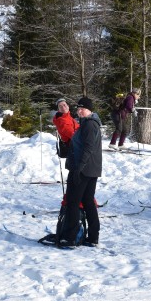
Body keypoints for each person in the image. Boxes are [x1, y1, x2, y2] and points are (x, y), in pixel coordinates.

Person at [59, 97, 102, 247]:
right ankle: (93, 237)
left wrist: (79, 168)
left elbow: (89, 148)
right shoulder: (86, 124)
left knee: (73, 202)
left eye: (82, 108)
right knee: (88, 202)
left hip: (83, 170)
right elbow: (79, 145)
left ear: (89, 109)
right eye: (78, 109)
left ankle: (70, 238)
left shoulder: (90, 125)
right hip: (89, 170)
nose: (79, 111)